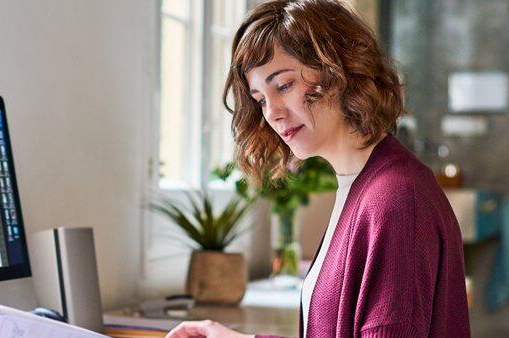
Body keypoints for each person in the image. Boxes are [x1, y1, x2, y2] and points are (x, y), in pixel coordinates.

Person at [165, 0, 470, 337]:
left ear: (340, 71)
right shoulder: (359, 185)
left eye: (284, 86)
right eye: (260, 99)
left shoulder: (395, 199)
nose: (272, 112)